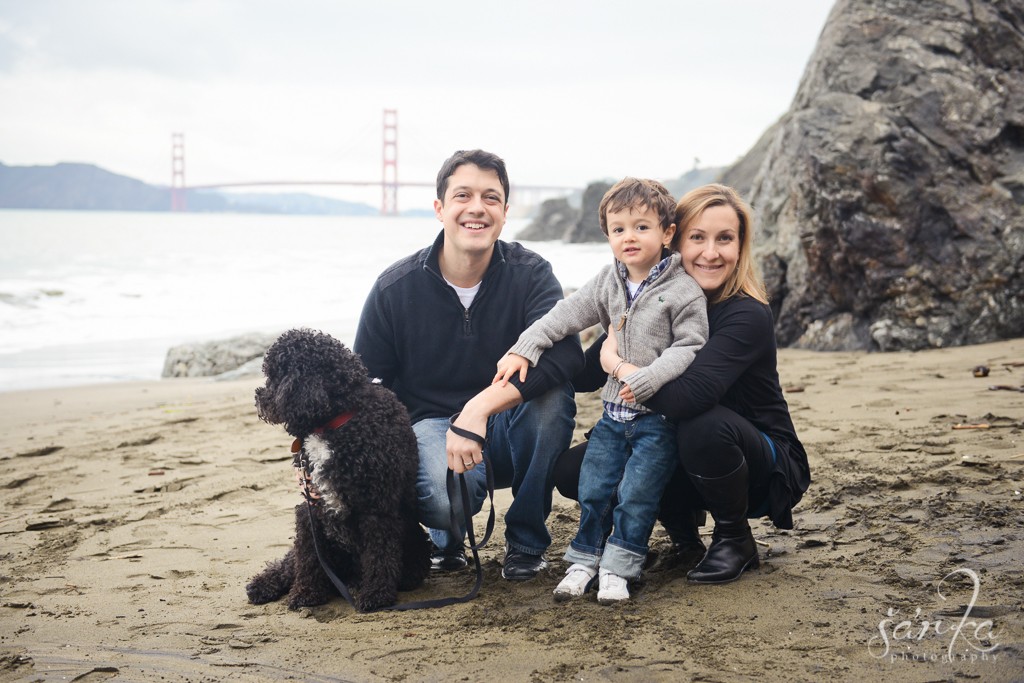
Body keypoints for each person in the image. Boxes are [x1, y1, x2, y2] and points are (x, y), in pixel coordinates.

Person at [554, 183, 810, 585]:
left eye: (724, 239)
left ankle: (734, 538)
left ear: (741, 246)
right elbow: (585, 374)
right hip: (683, 448)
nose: (711, 252)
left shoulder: (746, 315)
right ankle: (682, 529)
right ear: (673, 239)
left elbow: (687, 398)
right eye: (698, 238)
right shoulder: (656, 302)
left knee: (698, 425)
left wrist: (620, 365)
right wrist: (529, 351)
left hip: (762, 463)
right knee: (575, 468)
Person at [354, 149, 581, 581]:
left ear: (505, 212)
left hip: (508, 425)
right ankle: (446, 535)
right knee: (442, 500)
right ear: (440, 208)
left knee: (551, 398)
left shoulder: (530, 274)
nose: (477, 208)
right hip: (432, 426)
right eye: (463, 195)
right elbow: (366, 382)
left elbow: (567, 352)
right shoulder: (394, 288)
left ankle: (527, 544)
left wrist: (478, 410)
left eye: (490, 198)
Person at [494, 178, 707, 604]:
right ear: (607, 235)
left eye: (642, 227)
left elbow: (691, 345)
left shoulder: (683, 290)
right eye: (618, 229)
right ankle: (583, 561)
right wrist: (526, 346)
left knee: (636, 496)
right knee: (595, 490)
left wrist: (644, 379)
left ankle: (619, 568)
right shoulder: (608, 281)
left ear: (667, 233)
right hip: (612, 419)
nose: (629, 237)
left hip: (656, 422)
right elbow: (564, 315)